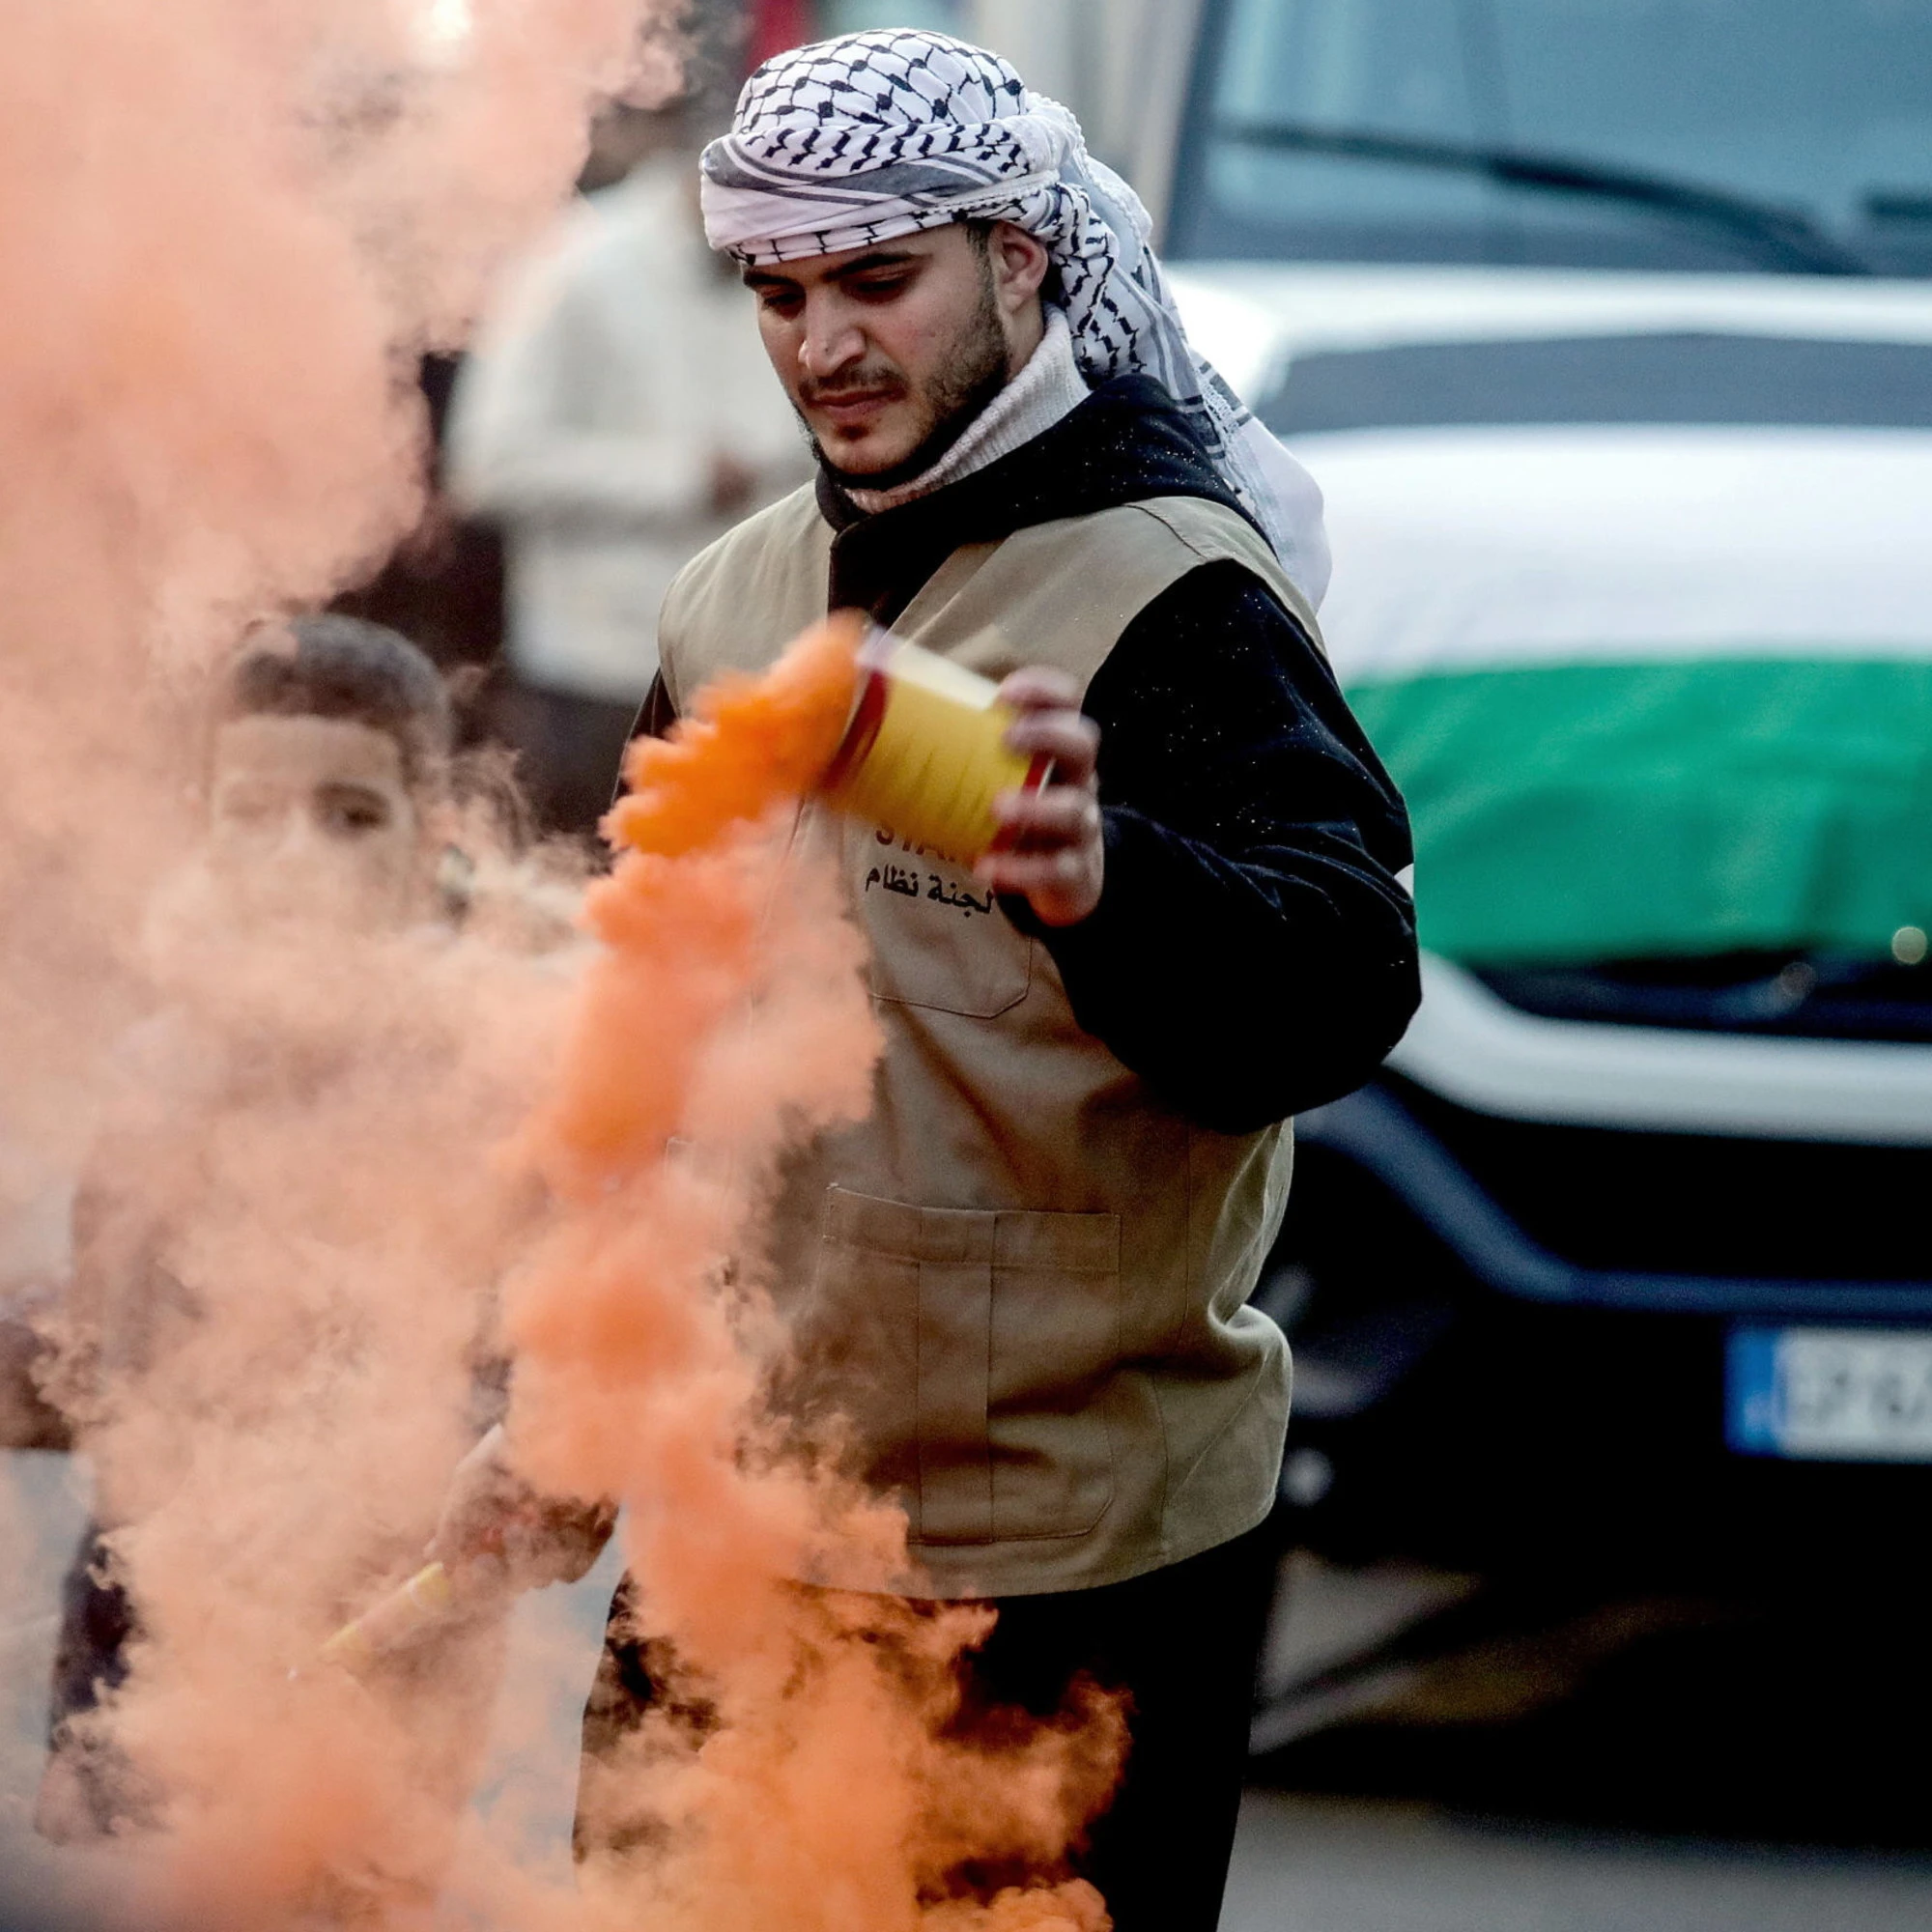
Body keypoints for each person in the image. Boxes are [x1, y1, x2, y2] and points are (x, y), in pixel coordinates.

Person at [488, 30, 1417, 1930]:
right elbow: (646, 1038)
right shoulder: (732, 596)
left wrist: (1104, 881)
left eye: (875, 279)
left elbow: (1339, 991)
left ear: (1018, 264)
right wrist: (561, 1399)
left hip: (1065, 1564)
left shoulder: (1175, 599)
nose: (821, 341)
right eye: (779, 290)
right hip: (736, 1527)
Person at [31, 616, 503, 1842]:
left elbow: (515, 1399)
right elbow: (102, 1360)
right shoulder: (159, 1062)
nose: (293, 854)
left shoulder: (494, 1075)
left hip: (370, 1655)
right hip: (136, 1624)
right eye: (250, 812)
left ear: (431, 833)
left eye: (350, 814)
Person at [446, 98, 810, 838]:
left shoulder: (790, 259)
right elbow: (486, 465)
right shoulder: (573, 259)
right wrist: (681, 477)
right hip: (593, 679)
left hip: (751, 681)